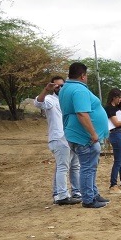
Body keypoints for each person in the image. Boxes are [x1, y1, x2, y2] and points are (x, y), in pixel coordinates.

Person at [58, 62, 110, 208]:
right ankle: (88, 199)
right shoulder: (78, 90)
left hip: (76, 134)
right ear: (82, 75)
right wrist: (93, 133)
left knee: (90, 167)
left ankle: (93, 193)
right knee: (87, 167)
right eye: (86, 75)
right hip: (84, 137)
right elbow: (82, 113)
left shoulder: (65, 88)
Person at [34, 76, 82, 205]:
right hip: (59, 138)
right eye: (57, 86)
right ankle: (61, 195)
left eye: (62, 85)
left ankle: (76, 192)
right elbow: (38, 103)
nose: (60, 88)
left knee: (74, 166)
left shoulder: (68, 100)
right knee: (63, 167)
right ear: (52, 87)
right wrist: (46, 90)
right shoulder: (50, 99)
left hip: (72, 137)